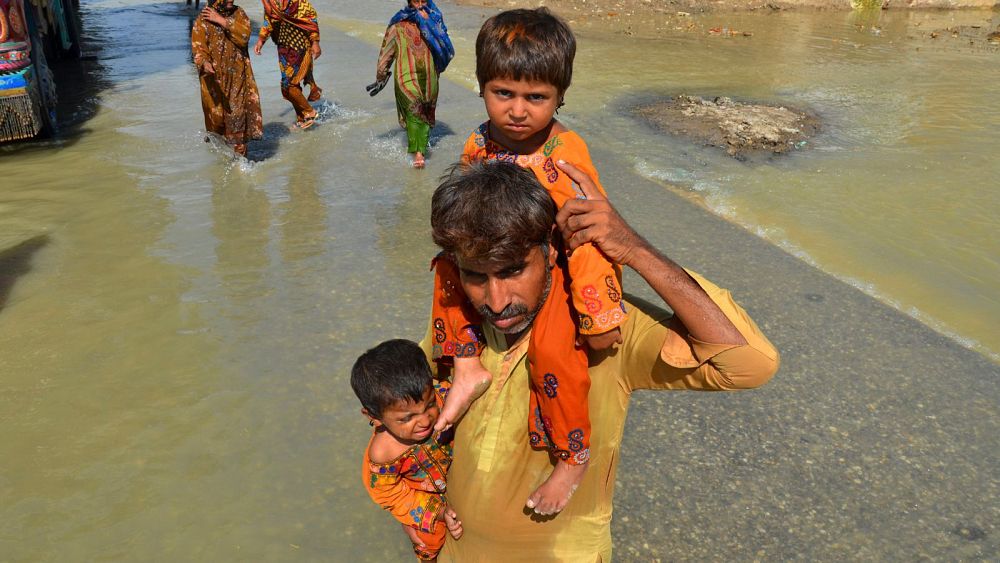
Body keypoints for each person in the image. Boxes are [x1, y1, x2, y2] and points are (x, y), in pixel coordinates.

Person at [417, 160, 779, 560]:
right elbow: (400, 418)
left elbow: (748, 363)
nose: (498, 302)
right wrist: (418, 504)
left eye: (514, 270)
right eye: (476, 277)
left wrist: (634, 249)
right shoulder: (459, 329)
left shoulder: (606, 331)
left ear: (550, 251)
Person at [428, 8, 623, 515]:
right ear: (481, 88)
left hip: (554, 269)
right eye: (503, 94)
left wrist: (597, 314)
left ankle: (572, 455)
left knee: (556, 356)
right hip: (492, 259)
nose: (518, 111)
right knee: (445, 271)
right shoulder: (478, 143)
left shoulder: (567, 155)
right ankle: (466, 366)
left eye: (536, 98)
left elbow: (590, 240)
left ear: (560, 96)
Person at [351, 339, 464, 561]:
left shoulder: (444, 395)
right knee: (430, 539)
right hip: (419, 493)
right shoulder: (384, 452)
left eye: (430, 405)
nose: (424, 421)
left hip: (446, 473)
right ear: (373, 416)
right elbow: (389, 494)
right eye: (407, 418)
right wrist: (437, 513)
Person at [371, 0, 454, 169]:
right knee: (415, 107)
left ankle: (417, 142)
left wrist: (429, 23)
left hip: (430, 78)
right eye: (416, 1)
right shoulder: (398, 25)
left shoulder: (435, 22)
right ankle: (419, 153)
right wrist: (381, 76)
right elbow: (386, 53)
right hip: (404, 76)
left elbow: (445, 49)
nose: (420, 4)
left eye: (423, 0)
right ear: (409, 3)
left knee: (425, 110)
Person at [190, 0, 263, 156]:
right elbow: (198, 49)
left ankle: (243, 167)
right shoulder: (202, 20)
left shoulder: (239, 13)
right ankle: (224, 172)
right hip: (214, 83)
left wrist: (221, 20)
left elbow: (244, 36)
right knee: (217, 126)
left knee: (237, 126)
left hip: (238, 80)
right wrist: (204, 63)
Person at [253, 0, 323, 130]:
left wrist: (315, 42)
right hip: (284, 47)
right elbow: (268, 21)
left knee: (290, 84)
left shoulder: (297, 2)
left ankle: (310, 112)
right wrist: (260, 41)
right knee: (287, 87)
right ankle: (301, 118)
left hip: (300, 46)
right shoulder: (270, 3)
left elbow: (311, 19)